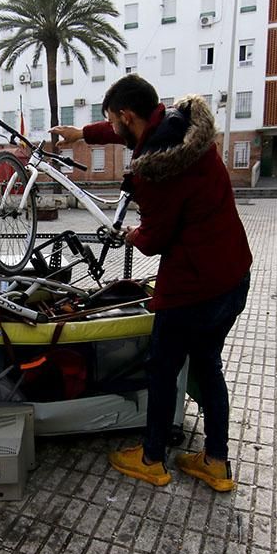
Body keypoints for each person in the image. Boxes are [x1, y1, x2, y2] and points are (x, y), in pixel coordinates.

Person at [52, 74, 252, 491]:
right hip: (233, 275)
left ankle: (152, 459)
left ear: (128, 115)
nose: (113, 128)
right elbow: (130, 128)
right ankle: (216, 462)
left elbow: (154, 240)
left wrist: (133, 235)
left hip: (191, 289)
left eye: (113, 120)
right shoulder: (182, 126)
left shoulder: (156, 172)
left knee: (161, 370)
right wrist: (83, 133)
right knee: (208, 366)